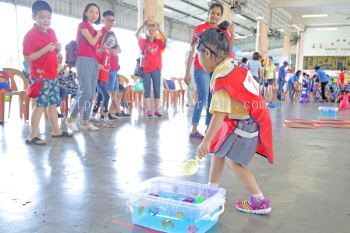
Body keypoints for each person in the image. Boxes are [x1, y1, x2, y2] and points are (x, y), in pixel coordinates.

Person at [195, 28, 273, 215]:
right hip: (247, 119)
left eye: (197, 56)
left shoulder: (222, 79)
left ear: (206, 53)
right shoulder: (229, 65)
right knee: (218, 149)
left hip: (246, 123)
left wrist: (205, 142)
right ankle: (212, 191)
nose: (197, 61)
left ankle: (259, 201)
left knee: (233, 163)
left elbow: (219, 115)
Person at [23, 0, 73, 145]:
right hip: (40, 76)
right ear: (34, 17)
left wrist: (58, 49)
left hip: (53, 74)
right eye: (42, 17)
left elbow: (55, 50)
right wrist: (46, 49)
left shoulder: (51, 32)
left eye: (48, 17)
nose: (46, 20)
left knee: (53, 103)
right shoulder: (30, 35)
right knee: (40, 105)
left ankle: (56, 130)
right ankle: (32, 135)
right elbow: (28, 57)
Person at [184, 2, 235, 140]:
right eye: (213, 13)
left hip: (215, 69)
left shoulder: (222, 31)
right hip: (201, 67)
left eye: (218, 14)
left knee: (213, 99)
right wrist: (187, 72)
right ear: (208, 13)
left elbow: (228, 52)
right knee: (202, 96)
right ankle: (194, 129)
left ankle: (208, 129)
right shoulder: (200, 28)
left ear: (220, 16)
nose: (215, 16)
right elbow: (191, 50)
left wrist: (232, 33)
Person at [66, 3, 102, 132]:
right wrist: (99, 34)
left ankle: (85, 121)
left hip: (93, 61)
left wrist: (102, 48)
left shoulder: (93, 29)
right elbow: (92, 41)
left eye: (97, 12)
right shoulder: (83, 25)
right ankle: (71, 119)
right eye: (91, 11)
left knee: (91, 93)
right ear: (86, 13)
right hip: (83, 60)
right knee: (86, 91)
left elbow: (94, 49)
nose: (94, 14)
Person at [99, 10, 128, 119]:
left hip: (115, 67)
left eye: (113, 21)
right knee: (108, 92)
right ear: (103, 20)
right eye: (109, 20)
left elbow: (119, 49)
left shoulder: (112, 34)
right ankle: (107, 112)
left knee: (115, 91)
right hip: (107, 67)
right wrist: (112, 50)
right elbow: (103, 50)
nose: (111, 23)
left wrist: (113, 50)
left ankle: (114, 111)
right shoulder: (101, 33)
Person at [135, 19, 167, 118]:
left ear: (155, 31)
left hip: (156, 69)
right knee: (147, 90)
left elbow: (166, 40)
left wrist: (159, 29)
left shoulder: (158, 42)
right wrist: (143, 25)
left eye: (153, 30)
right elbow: (136, 35)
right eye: (150, 30)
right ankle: (149, 110)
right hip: (146, 70)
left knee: (157, 89)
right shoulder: (144, 42)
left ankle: (157, 110)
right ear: (147, 31)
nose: (152, 32)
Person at [91, 31, 117, 127]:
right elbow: (94, 60)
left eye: (114, 40)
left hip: (105, 77)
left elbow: (107, 65)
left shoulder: (109, 52)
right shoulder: (100, 49)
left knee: (100, 97)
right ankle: (105, 117)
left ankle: (93, 115)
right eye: (110, 39)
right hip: (99, 77)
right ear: (105, 40)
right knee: (106, 96)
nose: (112, 42)